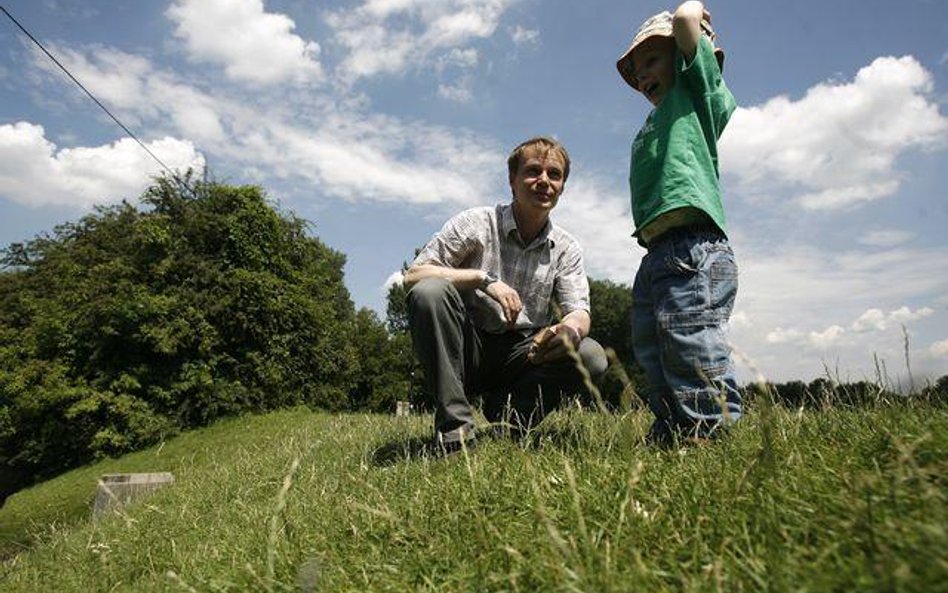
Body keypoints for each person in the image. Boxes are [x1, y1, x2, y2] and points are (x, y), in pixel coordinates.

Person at [403, 136, 608, 453]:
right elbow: (414, 275)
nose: (543, 181)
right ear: (512, 180)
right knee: (429, 292)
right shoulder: (476, 223)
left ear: (563, 187)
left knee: (590, 354)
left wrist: (567, 329)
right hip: (465, 345)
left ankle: (510, 420)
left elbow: (579, 310)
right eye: (533, 171)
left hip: (524, 354)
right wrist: (482, 279)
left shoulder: (567, 248)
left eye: (554, 174)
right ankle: (455, 431)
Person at [615, 1, 741, 445]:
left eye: (651, 59)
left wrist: (694, 19)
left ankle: (709, 431)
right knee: (653, 347)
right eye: (635, 71)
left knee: (690, 340)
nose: (643, 75)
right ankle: (672, 430)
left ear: (686, 55)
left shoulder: (697, 95)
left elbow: (688, 18)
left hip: (694, 247)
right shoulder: (654, 122)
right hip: (656, 253)